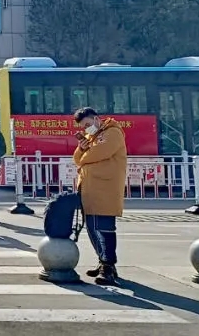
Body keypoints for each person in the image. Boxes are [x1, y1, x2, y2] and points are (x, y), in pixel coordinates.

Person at [72, 106, 127, 286]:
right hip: (90, 189)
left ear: (96, 119)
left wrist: (84, 156)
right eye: (83, 126)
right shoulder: (92, 137)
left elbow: (99, 153)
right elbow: (77, 158)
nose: (86, 129)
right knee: (92, 227)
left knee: (104, 228)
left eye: (87, 124)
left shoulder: (112, 133)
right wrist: (81, 149)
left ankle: (108, 266)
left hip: (105, 188)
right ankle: (103, 261)